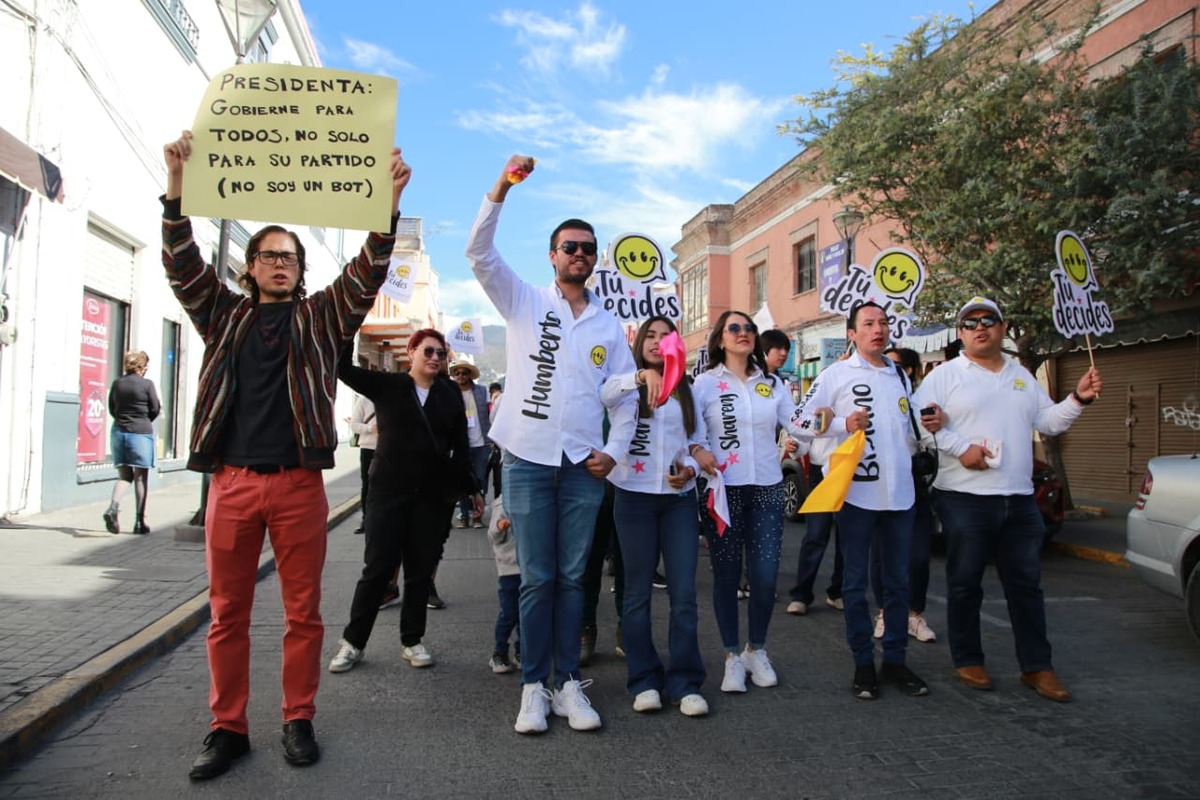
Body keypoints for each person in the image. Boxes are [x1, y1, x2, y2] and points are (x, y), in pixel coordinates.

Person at [161, 130, 409, 780]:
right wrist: (177, 191)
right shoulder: (223, 315)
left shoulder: (321, 318)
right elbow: (182, 265)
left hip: (299, 486)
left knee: (302, 614)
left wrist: (385, 208)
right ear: (249, 266)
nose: (280, 264)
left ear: (300, 271)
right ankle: (228, 728)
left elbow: (366, 274)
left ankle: (298, 718)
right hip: (233, 485)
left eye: (290, 258)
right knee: (227, 615)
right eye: (269, 256)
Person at [465, 154, 636, 734]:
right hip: (528, 460)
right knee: (535, 578)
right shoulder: (524, 301)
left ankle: (568, 683)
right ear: (552, 255)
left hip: (585, 467)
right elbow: (479, 254)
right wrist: (501, 185)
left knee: (571, 577)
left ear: (594, 259)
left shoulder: (609, 325)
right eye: (569, 247)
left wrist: (616, 451)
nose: (578, 255)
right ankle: (533, 686)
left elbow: (625, 394)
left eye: (587, 248)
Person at [914, 297, 1103, 702]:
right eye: (970, 322)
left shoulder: (1021, 376)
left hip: (1018, 499)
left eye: (989, 320)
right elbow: (920, 421)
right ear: (961, 333)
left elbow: (1047, 420)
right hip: (964, 497)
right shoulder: (944, 376)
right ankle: (968, 658)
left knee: (1026, 585)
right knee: (965, 582)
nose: (980, 327)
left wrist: (1078, 399)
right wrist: (960, 446)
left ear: (1002, 327)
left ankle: (1037, 666)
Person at [795, 302, 929, 701]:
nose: (878, 329)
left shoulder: (899, 377)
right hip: (856, 497)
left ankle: (896, 661)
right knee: (854, 584)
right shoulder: (836, 375)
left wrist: (930, 425)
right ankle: (862, 664)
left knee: (897, 583)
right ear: (851, 334)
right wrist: (841, 424)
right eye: (868, 324)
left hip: (901, 497)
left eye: (884, 323)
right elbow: (801, 424)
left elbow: (911, 428)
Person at [327, 329, 475, 676]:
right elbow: (343, 369)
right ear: (412, 352)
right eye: (428, 351)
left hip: (432, 496)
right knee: (377, 570)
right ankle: (353, 643)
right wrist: (347, 326)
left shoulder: (450, 392)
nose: (436, 358)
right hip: (388, 492)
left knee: (420, 572)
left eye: (441, 353)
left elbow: (461, 442)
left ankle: (412, 640)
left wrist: (467, 488)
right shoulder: (389, 386)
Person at [603, 315, 718, 717]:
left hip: (678, 502)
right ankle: (644, 679)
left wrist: (688, 467)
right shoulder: (625, 384)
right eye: (649, 336)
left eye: (665, 336)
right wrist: (637, 379)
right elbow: (603, 394)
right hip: (632, 499)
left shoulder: (686, 389)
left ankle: (685, 682)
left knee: (684, 594)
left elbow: (696, 441)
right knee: (636, 594)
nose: (656, 342)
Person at [692, 310, 806, 694]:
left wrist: (834, 423)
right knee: (725, 576)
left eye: (748, 328)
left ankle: (757, 648)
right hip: (724, 491)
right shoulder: (704, 384)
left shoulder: (773, 383)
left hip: (769, 489)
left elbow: (799, 425)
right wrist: (699, 452)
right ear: (720, 339)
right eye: (734, 328)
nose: (743, 333)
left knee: (765, 576)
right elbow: (691, 433)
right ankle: (731, 657)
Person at [868, 346, 937, 643]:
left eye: (892, 364)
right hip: (879, 484)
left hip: (914, 486)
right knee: (881, 553)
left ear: (907, 371)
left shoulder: (917, 399)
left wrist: (934, 425)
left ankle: (914, 615)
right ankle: (885, 612)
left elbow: (932, 435)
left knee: (919, 555)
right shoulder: (871, 396)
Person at [785, 434, 845, 615]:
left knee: (847, 535)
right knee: (816, 534)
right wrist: (796, 446)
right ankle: (801, 595)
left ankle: (837, 592)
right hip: (821, 468)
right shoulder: (818, 404)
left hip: (851, 466)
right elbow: (805, 429)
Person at [103, 350, 161, 535]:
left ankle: (113, 507)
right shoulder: (147, 384)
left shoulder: (117, 383)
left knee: (124, 476)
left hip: (119, 432)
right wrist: (144, 420)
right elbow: (155, 408)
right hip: (140, 433)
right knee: (140, 477)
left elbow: (112, 408)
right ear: (142, 367)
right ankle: (139, 522)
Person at [449, 358, 490, 528]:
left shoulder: (481, 391)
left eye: (464, 373)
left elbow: (490, 413)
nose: (460, 376)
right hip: (460, 444)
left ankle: (478, 516)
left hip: (481, 443)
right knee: (462, 480)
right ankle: (464, 515)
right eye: (457, 373)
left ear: (470, 375)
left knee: (480, 480)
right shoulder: (450, 392)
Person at [486, 494, 521, 674]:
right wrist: (500, 527)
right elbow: (492, 536)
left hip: (529, 568)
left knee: (526, 615)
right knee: (509, 613)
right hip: (509, 569)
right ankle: (499, 651)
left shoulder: (536, 496)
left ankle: (521, 650)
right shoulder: (502, 502)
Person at [348, 388, 377, 536]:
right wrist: (370, 428)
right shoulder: (364, 401)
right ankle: (366, 521)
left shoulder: (391, 399)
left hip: (389, 447)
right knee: (367, 484)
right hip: (368, 448)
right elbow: (354, 425)